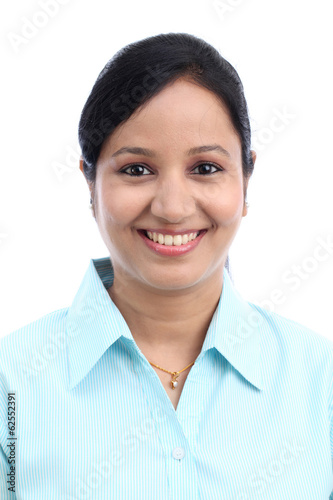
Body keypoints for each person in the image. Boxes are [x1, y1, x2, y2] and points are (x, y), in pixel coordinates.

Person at [1, 32, 333, 499]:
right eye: (136, 169)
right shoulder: (11, 386)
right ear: (90, 185)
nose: (173, 208)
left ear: (246, 178)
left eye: (205, 168)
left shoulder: (321, 384)